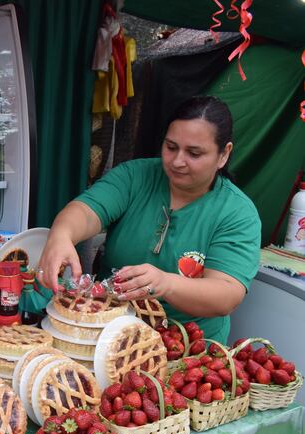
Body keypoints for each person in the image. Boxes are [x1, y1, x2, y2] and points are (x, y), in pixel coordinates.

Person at [37, 96, 261, 343]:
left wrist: (166, 283)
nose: (177, 161)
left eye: (194, 153)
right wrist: (61, 234)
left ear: (223, 154)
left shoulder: (237, 213)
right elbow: (85, 211)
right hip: (107, 333)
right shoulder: (135, 176)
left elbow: (226, 294)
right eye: (171, 147)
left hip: (188, 350)